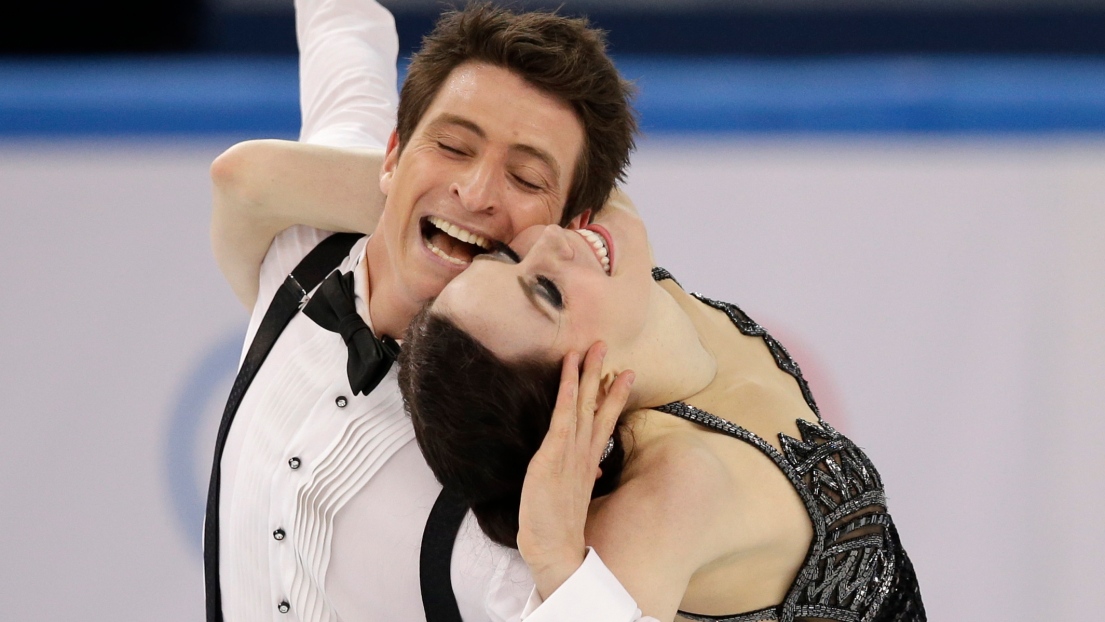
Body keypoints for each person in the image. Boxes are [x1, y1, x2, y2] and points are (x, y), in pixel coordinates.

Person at [205, 0, 636, 620]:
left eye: (526, 177)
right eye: (456, 146)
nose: (476, 192)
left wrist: (559, 565)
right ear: (391, 155)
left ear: (567, 232)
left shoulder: (523, 478)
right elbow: (343, 30)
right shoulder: (301, 244)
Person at [397, 194, 928, 620]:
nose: (553, 239)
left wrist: (410, 197)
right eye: (547, 292)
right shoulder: (669, 496)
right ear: (579, 395)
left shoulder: (623, 276)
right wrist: (558, 564)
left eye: (508, 256)